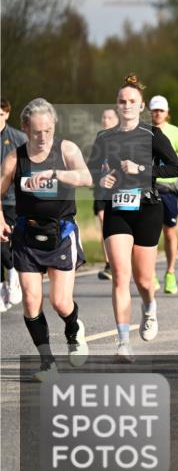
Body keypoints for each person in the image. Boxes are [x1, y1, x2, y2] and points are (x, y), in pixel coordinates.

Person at [87, 75, 178, 362]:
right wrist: (101, 179)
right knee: (120, 276)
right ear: (116, 106)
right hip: (117, 209)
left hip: (147, 209)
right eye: (121, 102)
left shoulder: (153, 134)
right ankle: (123, 342)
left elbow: (174, 168)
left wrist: (142, 168)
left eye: (132, 102)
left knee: (143, 279)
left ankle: (150, 307)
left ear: (141, 106)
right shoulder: (105, 137)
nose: (126, 106)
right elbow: (92, 170)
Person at [0, 99, 92, 380]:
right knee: (30, 301)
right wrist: (1, 220)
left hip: (61, 232)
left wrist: (55, 173)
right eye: (36, 132)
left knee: (61, 302)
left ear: (54, 127)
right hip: (26, 233)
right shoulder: (15, 157)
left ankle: (74, 330)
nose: (42, 138)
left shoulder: (66, 149)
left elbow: (87, 178)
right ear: (26, 128)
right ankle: (47, 362)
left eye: (48, 131)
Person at [148, 95, 178, 294]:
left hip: (169, 189)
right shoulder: (144, 131)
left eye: (161, 110)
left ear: (167, 113)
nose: (157, 113)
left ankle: (170, 272)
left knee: (169, 232)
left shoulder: (176, 133)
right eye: (154, 110)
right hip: (149, 187)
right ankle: (150, 273)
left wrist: (167, 152)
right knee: (149, 233)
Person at [0, 98, 27, 312]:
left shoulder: (17, 138)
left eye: (0, 114)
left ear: (7, 114)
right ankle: (2, 286)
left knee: (6, 241)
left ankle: (12, 271)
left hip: (11, 200)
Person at [93, 108, 119, 280]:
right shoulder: (100, 137)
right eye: (103, 116)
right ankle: (109, 263)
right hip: (102, 188)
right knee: (104, 221)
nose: (106, 119)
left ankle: (122, 259)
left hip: (120, 188)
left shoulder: (122, 136)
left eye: (110, 117)